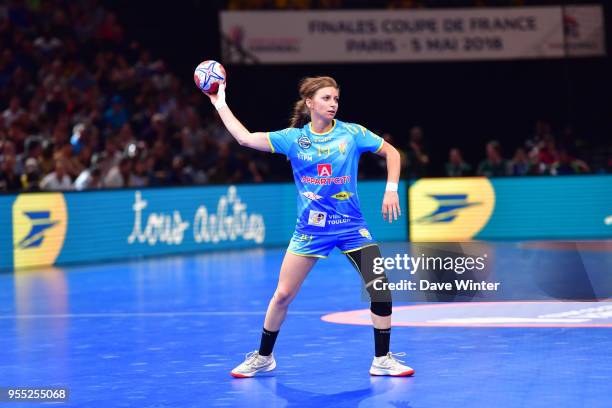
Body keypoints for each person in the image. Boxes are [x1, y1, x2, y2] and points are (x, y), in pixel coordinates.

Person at [203, 76, 413, 378]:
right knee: (283, 295)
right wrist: (219, 103)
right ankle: (264, 357)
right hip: (311, 231)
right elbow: (245, 138)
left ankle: (383, 359)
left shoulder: (352, 133)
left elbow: (392, 152)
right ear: (310, 103)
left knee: (379, 286)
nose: (333, 104)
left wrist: (391, 189)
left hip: (350, 226)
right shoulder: (292, 139)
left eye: (336, 99)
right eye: (326, 98)